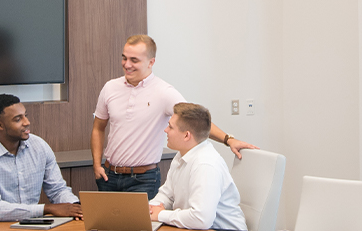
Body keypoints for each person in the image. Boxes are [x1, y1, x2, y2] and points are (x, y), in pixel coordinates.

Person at [91, 34, 258, 197]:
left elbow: (196, 121)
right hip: (108, 176)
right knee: (106, 226)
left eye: (134, 60)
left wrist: (228, 140)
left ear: (151, 62)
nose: (127, 64)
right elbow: (98, 128)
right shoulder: (110, 88)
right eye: (124, 58)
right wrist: (97, 164)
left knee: (140, 226)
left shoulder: (164, 92)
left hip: (143, 180)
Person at [0, 94, 82, 222]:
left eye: (25, 116)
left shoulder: (39, 146)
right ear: (0, 125)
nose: (27, 122)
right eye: (18, 119)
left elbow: (57, 190)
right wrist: (47, 209)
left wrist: (76, 206)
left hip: (31, 225)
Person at [149, 103, 247, 230]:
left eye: (170, 127)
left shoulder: (205, 165)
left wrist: (161, 215)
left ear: (186, 136)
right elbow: (167, 194)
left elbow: (201, 219)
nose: (165, 130)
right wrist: (151, 209)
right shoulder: (182, 155)